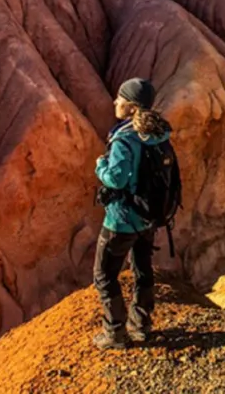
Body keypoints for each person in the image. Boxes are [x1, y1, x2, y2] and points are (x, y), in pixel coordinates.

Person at [92, 77, 172, 349]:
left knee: (104, 275)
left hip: (122, 220)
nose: (115, 101)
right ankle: (141, 326)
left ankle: (115, 333)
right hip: (149, 217)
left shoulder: (125, 139)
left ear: (133, 107)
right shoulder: (158, 133)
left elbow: (116, 179)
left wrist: (100, 166)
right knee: (143, 270)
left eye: (120, 98)